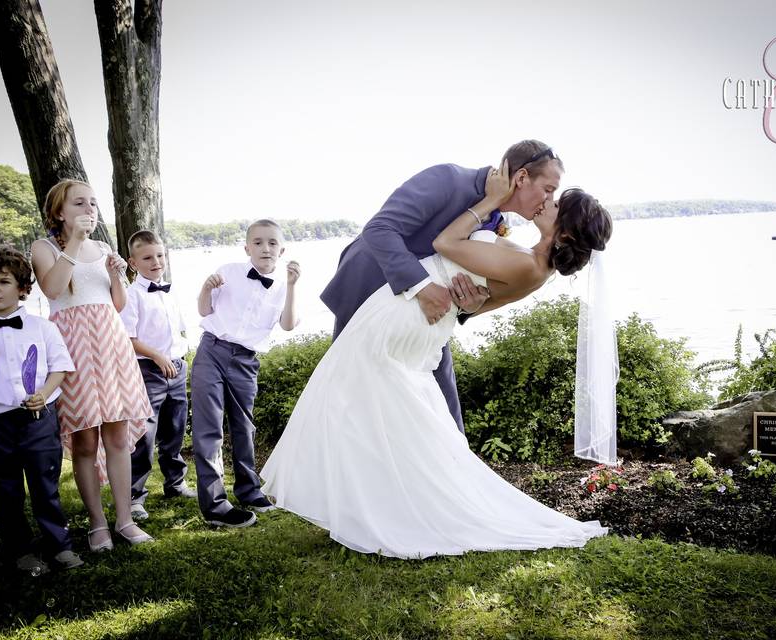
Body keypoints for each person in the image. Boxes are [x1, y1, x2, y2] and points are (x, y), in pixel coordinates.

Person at [260, 163, 614, 558]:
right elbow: (476, 305)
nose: (548, 201)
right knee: (389, 413)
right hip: (419, 315)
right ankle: (379, 504)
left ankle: (384, 509)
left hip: (411, 316)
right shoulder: (533, 261)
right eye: (549, 192)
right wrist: (475, 298)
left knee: (358, 402)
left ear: (564, 232)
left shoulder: (529, 264)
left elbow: (446, 243)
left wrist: (489, 203)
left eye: (556, 202)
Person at [321, 139, 563, 433]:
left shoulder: (496, 219)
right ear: (522, 177)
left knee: (445, 413)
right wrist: (423, 288)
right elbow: (379, 229)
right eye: (549, 189)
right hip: (370, 292)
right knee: (350, 401)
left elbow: (463, 277)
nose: (549, 199)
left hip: (425, 318)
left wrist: (470, 307)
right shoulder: (449, 179)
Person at [30, 180, 154, 551]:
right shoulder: (44, 247)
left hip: (111, 344)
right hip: (72, 347)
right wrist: (73, 244)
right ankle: (97, 524)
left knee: (117, 435)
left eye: (93, 203)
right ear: (59, 212)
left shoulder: (102, 248)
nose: (89, 209)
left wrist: (117, 274)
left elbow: (116, 304)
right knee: (85, 439)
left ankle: (125, 520)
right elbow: (53, 290)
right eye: (80, 203)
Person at [0, 246, 84, 574]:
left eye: (3, 281)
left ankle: (60, 546)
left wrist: (43, 393)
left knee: (45, 485)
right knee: (5, 490)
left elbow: (60, 367)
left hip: (37, 418)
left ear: (23, 288)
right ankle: (21, 550)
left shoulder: (43, 327)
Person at [191, 219, 301, 528]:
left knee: (244, 426)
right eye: (258, 242)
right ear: (247, 247)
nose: (265, 248)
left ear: (282, 249)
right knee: (209, 429)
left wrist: (292, 286)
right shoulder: (228, 271)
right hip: (212, 351)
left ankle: (248, 490)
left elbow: (289, 324)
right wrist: (205, 288)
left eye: (272, 243)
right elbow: (204, 311)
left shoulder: (282, 286)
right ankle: (214, 506)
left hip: (245, 360)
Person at [119, 230, 196, 523]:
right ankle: (135, 496)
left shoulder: (170, 290)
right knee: (143, 435)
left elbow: (178, 329)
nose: (156, 261)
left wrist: (181, 353)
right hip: (149, 371)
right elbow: (128, 337)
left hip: (177, 368)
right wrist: (157, 356)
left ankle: (175, 484)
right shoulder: (132, 295)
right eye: (148, 257)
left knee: (175, 430)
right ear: (133, 262)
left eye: (160, 255)